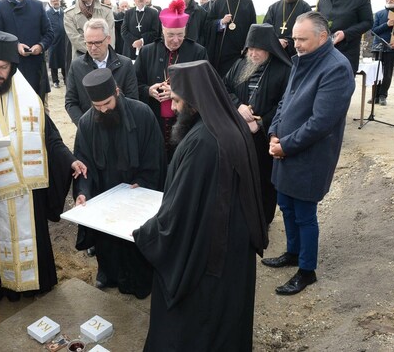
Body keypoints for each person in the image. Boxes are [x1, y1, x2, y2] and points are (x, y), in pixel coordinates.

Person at [133, 59, 267, 350]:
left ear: (195, 100)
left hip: (208, 256)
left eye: (179, 101)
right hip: (233, 244)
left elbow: (179, 214)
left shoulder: (202, 143)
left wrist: (148, 233)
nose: (175, 108)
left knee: (197, 323)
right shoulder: (230, 122)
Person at [0, 30, 86, 302]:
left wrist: (70, 160)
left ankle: (35, 284)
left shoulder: (29, 97)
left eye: (4, 67)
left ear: (13, 67)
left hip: (26, 190)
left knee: (31, 237)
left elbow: (50, 137)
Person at [262, 12, 355, 295]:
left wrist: (285, 145)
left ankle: (306, 269)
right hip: (284, 150)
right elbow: (284, 102)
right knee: (287, 207)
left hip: (309, 157)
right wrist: (274, 132)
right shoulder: (301, 60)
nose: (296, 44)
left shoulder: (336, 68)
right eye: (295, 38)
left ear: (322, 37)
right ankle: (292, 252)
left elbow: (321, 123)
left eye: (302, 39)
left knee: (304, 214)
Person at [73, 68, 165, 298]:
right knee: (107, 244)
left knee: (137, 242)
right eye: (97, 106)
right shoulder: (86, 123)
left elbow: (154, 158)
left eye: (107, 103)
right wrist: (83, 193)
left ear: (117, 91)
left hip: (137, 192)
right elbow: (83, 165)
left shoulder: (142, 114)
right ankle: (108, 273)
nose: (103, 110)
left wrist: (142, 183)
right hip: (105, 195)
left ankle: (140, 281)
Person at [223, 23, 292, 225]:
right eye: (250, 49)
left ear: (269, 48)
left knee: (263, 180)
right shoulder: (240, 64)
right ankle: (240, 216)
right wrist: (238, 106)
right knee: (239, 177)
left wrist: (261, 123)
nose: (252, 54)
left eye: (257, 50)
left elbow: (286, 103)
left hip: (265, 136)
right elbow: (224, 87)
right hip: (239, 133)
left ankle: (262, 221)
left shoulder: (284, 69)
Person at [134, 0, 208, 160]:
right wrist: (148, 90)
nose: (176, 40)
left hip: (186, 124)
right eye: (171, 35)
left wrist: (177, 93)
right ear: (162, 30)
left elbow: (204, 87)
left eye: (180, 35)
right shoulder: (147, 52)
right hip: (154, 121)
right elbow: (134, 84)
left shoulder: (198, 52)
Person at [65, 18, 138, 124]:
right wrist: (84, 124)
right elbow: (71, 102)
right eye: (89, 43)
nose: (93, 48)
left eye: (98, 42)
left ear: (108, 39)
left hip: (120, 125)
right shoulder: (76, 66)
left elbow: (132, 99)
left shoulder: (125, 64)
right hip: (89, 128)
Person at [0, 0, 54, 101]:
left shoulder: (37, 5)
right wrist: (15, 45)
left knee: (39, 109)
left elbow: (49, 33)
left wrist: (41, 45)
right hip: (11, 68)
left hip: (35, 66)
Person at [369, 0, 394, 106]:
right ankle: (375, 96)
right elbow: (373, 31)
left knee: (387, 73)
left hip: (392, 48)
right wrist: (386, 25)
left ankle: (383, 96)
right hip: (378, 47)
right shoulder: (379, 14)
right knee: (376, 72)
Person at [317, 0, 373, 74]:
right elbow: (318, 21)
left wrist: (345, 34)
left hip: (346, 53)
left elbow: (368, 22)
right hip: (323, 53)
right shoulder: (323, 0)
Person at [205, 0, 256, 77]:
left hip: (241, 51)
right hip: (222, 53)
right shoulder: (218, 2)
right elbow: (208, 24)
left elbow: (253, 27)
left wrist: (248, 46)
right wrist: (221, 22)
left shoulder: (248, 2)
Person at [47, 0, 66, 87]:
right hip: (53, 42)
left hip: (64, 41)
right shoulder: (47, 13)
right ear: (50, 3)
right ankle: (55, 81)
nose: (56, 2)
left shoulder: (64, 13)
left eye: (57, 0)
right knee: (53, 62)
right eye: (53, 1)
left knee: (65, 61)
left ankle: (66, 79)